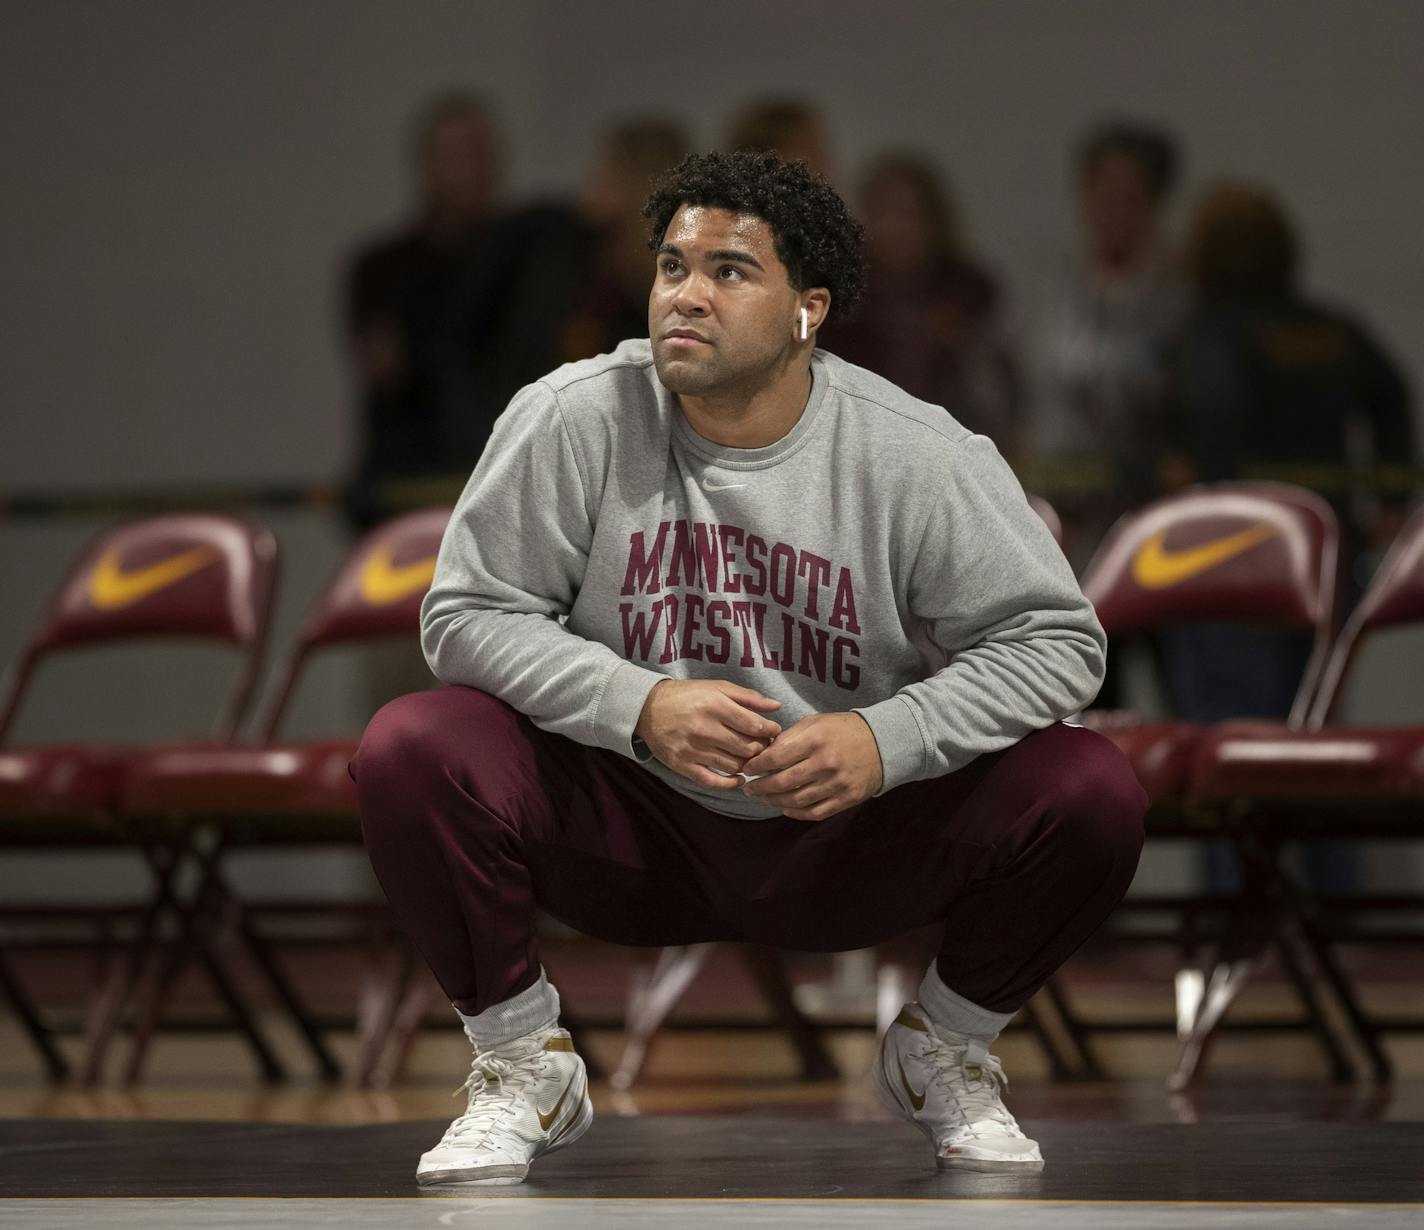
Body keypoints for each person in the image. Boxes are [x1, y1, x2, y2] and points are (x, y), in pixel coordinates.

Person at [352, 151, 1147, 1186]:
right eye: (671, 265)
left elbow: (1059, 643)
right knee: (411, 747)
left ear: (806, 311)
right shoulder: (570, 416)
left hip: (839, 834)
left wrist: (884, 737)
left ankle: (942, 1047)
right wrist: (637, 702)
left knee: (1089, 789)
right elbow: (462, 616)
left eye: (728, 271)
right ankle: (520, 1062)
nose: (684, 293)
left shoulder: (917, 453)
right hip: (632, 823)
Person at [1159, 181, 1416, 894]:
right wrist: (1389, 500)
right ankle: (1333, 915)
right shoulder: (1329, 330)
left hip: (1228, 572)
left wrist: (1184, 491)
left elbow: (1212, 422)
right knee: (1322, 746)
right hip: (1331, 560)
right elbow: (1392, 393)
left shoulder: (1206, 334)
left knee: (1230, 748)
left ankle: (1237, 916)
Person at [342, 91, 507, 532]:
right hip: (411, 481)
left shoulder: (527, 258)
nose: (472, 168)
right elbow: (386, 369)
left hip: (507, 479)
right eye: (457, 153)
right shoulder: (383, 268)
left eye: (480, 152)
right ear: (427, 165)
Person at [1033, 120, 1186, 571]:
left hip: (1147, 518)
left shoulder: (1178, 301)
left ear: (1155, 204)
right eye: (1099, 194)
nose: (1111, 211)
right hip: (1059, 515)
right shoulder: (1055, 293)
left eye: (1130, 197)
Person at [828, 151, 1025, 461]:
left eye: (909, 214)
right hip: (861, 450)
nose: (896, 228)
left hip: (957, 448)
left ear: (934, 220)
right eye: (884, 213)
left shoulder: (970, 289)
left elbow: (1005, 383)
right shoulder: (842, 292)